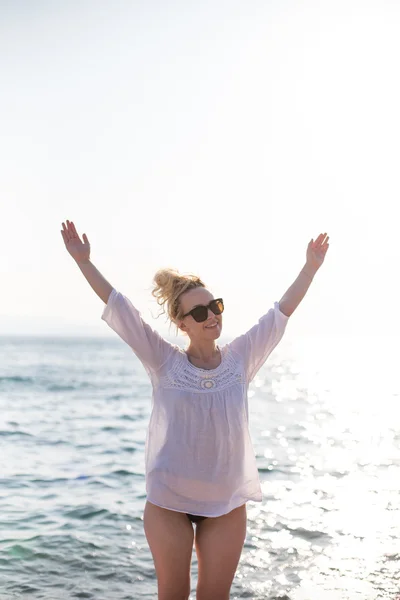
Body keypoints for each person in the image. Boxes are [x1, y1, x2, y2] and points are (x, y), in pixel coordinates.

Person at [61, 219, 329, 600]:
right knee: (173, 594)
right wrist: (84, 262)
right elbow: (121, 309)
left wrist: (310, 268)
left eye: (214, 306)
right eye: (200, 313)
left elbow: (280, 313)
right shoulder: (163, 361)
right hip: (169, 500)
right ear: (181, 323)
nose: (212, 316)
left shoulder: (241, 358)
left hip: (226, 502)